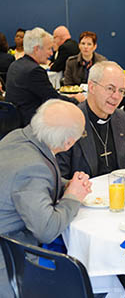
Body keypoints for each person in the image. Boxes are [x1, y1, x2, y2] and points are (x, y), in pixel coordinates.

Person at [0, 99, 92, 298]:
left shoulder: (19, 137)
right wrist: (72, 197)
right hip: (7, 258)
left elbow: (28, 185)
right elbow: (46, 230)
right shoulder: (33, 168)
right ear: (68, 143)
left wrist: (68, 185)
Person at [57, 61, 125, 179]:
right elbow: (60, 177)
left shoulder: (121, 118)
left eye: (121, 91)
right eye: (110, 88)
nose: (116, 97)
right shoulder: (69, 122)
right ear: (92, 87)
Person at [5, 27, 85, 127]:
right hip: (31, 124)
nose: (51, 53)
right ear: (36, 49)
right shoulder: (35, 71)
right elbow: (54, 99)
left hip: (13, 122)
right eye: (49, 49)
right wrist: (76, 100)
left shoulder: (15, 65)